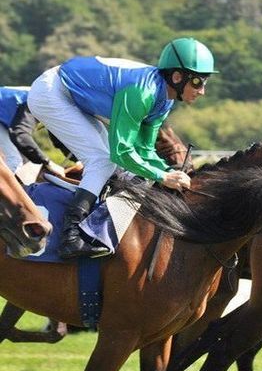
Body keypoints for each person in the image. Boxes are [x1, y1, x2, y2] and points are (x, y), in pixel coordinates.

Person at [27, 37, 216, 258]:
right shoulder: (141, 92)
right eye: (197, 82)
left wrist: (169, 171)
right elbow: (122, 152)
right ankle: (70, 236)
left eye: (205, 82)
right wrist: (164, 177)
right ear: (177, 77)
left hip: (72, 97)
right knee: (102, 160)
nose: (202, 91)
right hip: (51, 92)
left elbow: (145, 150)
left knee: (112, 163)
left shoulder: (165, 100)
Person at [0, 86, 68, 178]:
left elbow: (57, 138)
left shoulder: (47, 99)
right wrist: (48, 162)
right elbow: (20, 135)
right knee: (14, 161)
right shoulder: (37, 101)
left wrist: (77, 159)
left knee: (25, 159)